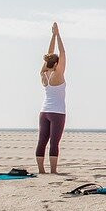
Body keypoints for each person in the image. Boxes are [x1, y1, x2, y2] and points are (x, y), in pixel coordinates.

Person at [36, 22, 67, 174]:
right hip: (57, 113)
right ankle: (53, 171)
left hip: (44, 112)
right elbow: (62, 53)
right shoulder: (58, 74)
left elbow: (50, 55)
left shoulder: (44, 74)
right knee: (54, 142)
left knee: (42, 141)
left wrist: (52, 36)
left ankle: (41, 170)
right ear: (56, 64)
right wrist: (58, 35)